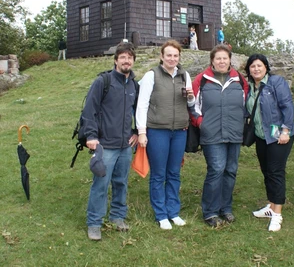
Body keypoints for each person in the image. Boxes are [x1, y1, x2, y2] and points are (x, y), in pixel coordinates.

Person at [81, 42, 139, 241]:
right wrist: (91, 136)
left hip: (125, 145)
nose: (126, 60)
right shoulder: (103, 81)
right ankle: (94, 223)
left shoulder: (134, 85)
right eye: (122, 57)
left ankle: (117, 216)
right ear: (116, 60)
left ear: (133, 61)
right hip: (105, 145)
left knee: (121, 182)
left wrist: (137, 132)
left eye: (129, 57)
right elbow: (89, 109)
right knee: (101, 184)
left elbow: (138, 112)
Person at [136, 40, 195, 230]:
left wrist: (192, 97)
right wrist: (142, 132)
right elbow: (142, 105)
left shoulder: (184, 75)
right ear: (162, 56)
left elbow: (192, 104)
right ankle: (161, 214)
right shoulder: (151, 76)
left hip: (179, 131)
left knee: (174, 173)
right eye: (168, 55)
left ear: (179, 57)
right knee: (158, 174)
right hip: (157, 131)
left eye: (175, 55)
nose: (172, 58)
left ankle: (173, 212)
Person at [190, 44, 249, 227]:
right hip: (212, 133)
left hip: (234, 133)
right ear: (212, 61)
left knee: (230, 171)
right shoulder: (202, 80)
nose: (222, 61)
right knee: (216, 170)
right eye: (218, 58)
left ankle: (226, 208)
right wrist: (201, 123)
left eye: (225, 58)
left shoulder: (239, 80)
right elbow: (192, 105)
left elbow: (246, 103)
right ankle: (210, 212)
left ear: (230, 59)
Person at [245, 54, 294, 232]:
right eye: (253, 66)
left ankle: (277, 214)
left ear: (266, 67)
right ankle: (270, 206)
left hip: (279, 136)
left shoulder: (276, 82)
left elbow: (287, 106)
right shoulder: (250, 86)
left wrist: (286, 130)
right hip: (262, 136)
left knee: (276, 172)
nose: (256, 69)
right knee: (266, 171)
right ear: (249, 69)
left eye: (259, 66)